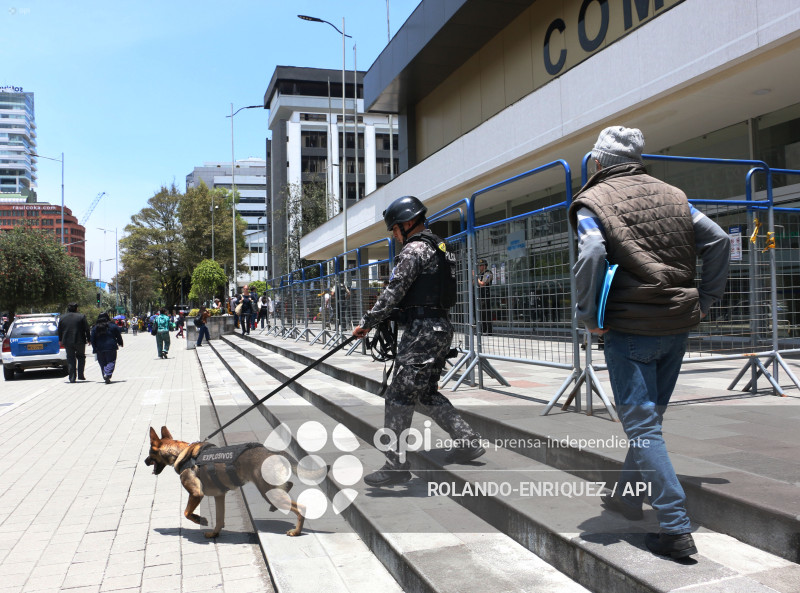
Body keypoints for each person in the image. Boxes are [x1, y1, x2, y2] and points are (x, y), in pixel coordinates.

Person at [568, 126, 730, 559]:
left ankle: (675, 525)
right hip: (676, 324)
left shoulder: (593, 201)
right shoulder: (675, 195)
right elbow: (718, 239)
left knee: (641, 426)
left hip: (629, 328)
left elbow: (592, 254)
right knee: (649, 422)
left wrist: (589, 318)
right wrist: (707, 299)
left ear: (598, 162)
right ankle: (625, 494)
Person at [353, 195, 485, 487]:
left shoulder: (414, 250)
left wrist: (366, 324)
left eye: (395, 228)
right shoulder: (439, 247)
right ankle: (467, 439)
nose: (394, 234)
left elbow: (393, 291)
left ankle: (395, 464)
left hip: (422, 332)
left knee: (398, 397)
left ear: (408, 222)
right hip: (440, 327)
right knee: (426, 393)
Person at [57, 302, 91, 383]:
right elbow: (87, 329)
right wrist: (89, 339)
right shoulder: (81, 316)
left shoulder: (62, 317)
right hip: (80, 341)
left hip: (67, 341)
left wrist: (60, 340)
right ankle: (80, 375)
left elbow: (59, 330)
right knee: (81, 357)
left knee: (70, 358)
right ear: (76, 308)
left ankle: (72, 378)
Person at [90, 312, 124, 384]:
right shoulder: (112, 326)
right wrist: (120, 343)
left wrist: (94, 348)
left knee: (102, 363)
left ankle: (105, 375)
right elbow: (118, 335)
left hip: (99, 348)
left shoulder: (95, 327)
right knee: (111, 361)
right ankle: (107, 374)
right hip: (111, 347)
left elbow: (92, 339)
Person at [475, 258, 493, 335]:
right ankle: (482, 330)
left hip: (485, 296)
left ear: (485, 266)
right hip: (479, 296)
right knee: (480, 314)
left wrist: (476, 278)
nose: (480, 267)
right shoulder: (479, 275)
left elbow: (482, 284)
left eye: (481, 265)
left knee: (486, 314)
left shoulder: (488, 273)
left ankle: (488, 331)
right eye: (479, 266)